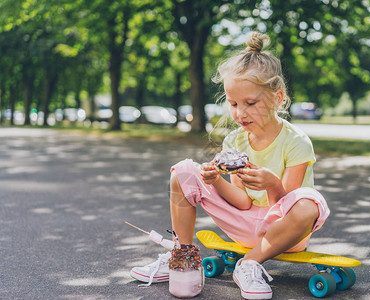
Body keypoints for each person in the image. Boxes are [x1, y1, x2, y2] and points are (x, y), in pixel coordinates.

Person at [130, 32, 330, 299]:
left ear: (276, 99)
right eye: (233, 103)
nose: (240, 113)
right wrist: (216, 182)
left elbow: (284, 209)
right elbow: (243, 202)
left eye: (250, 103)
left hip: (283, 235)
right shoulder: (235, 140)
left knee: (309, 203)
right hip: (244, 225)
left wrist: (271, 183)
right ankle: (182, 257)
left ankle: (249, 264)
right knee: (184, 172)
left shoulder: (296, 142)